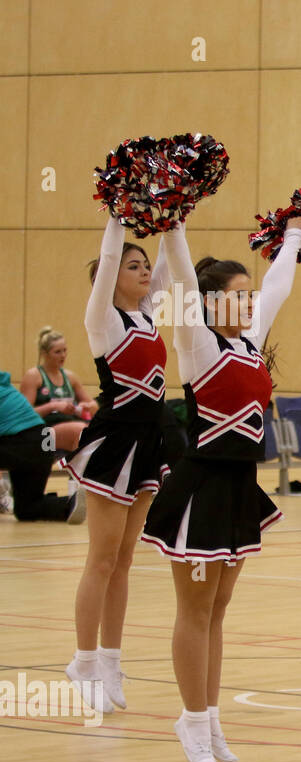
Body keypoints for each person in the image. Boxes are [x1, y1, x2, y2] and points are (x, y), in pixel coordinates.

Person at [141, 217, 301, 762]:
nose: (250, 303)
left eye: (249, 296)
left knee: (218, 609)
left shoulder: (251, 344)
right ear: (210, 306)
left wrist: (296, 235)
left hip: (241, 487)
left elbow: (281, 286)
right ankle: (190, 720)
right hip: (200, 487)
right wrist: (174, 219)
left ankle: (210, 718)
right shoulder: (198, 344)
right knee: (194, 609)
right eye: (239, 296)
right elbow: (185, 279)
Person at [61, 219, 172, 714]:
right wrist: (116, 216)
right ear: (110, 278)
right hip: (114, 444)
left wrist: (177, 217)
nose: (145, 271)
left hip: (149, 443)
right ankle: (83, 660)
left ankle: (110, 659)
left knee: (125, 561)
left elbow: (170, 266)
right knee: (101, 559)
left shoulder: (148, 313)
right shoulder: (103, 320)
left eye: (145, 264)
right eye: (134, 265)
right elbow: (107, 262)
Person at [0, 371, 85, 522]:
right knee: (28, 508)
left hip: (22, 443)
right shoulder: (6, 388)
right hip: (44, 442)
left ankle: (2, 492)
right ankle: (70, 503)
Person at [20, 328, 98, 453]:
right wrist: (53, 406)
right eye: (57, 352)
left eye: (64, 350)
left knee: (97, 431)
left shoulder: (70, 377)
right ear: (44, 354)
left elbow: (95, 407)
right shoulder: (34, 376)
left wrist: (87, 406)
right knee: (79, 431)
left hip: (71, 424)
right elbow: (23, 415)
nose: (63, 355)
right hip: (44, 430)